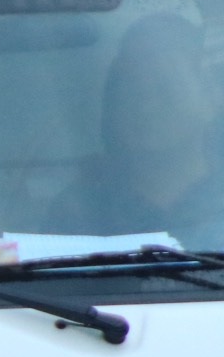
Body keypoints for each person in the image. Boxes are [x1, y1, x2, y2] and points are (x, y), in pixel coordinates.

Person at [45, 13, 224, 247]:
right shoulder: (78, 210)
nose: (146, 106)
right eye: (132, 88)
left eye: (164, 86)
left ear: (211, 97)